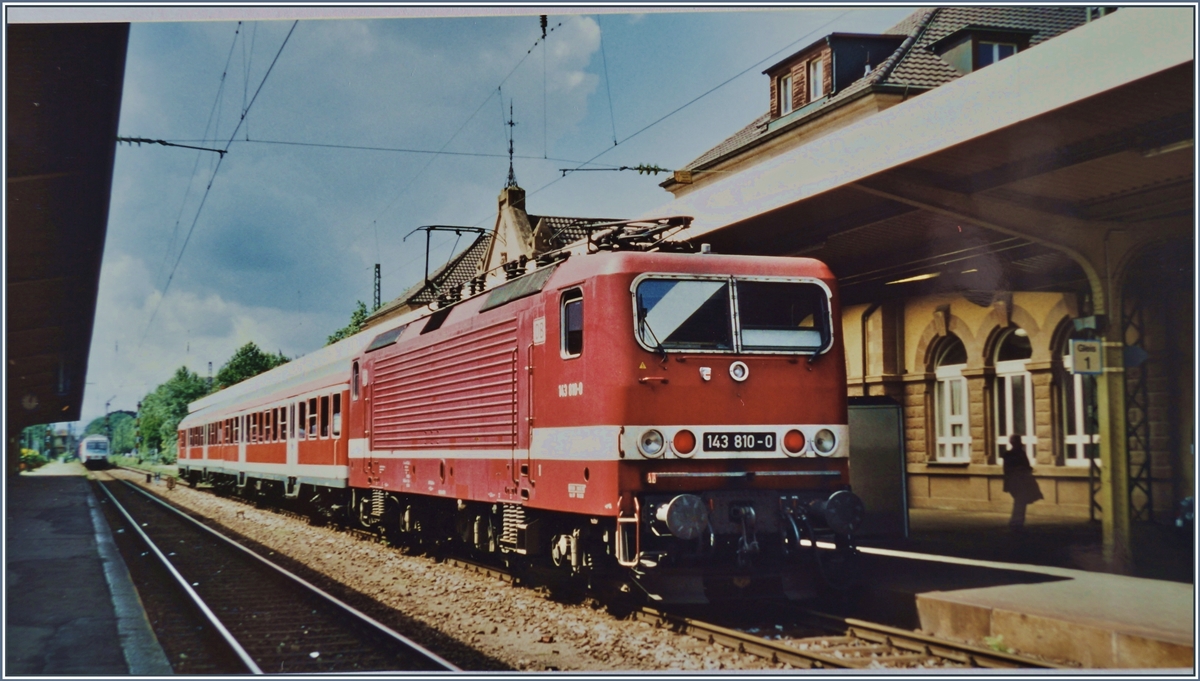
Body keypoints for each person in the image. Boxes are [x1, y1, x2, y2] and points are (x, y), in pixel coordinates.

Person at [1001, 434, 1043, 531]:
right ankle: (1017, 522)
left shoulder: (1009, 454)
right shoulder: (1019, 454)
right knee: (1020, 502)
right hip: (1020, 482)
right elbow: (1024, 467)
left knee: (1019, 501)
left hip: (1015, 482)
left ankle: (1016, 522)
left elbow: (1006, 471)